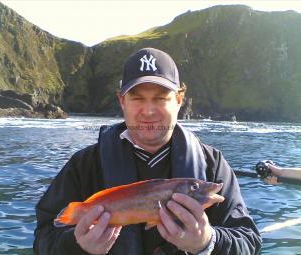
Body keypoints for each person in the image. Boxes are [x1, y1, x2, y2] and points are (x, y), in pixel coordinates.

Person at [33, 48, 262, 255]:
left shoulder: (212, 163)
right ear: (122, 101)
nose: (149, 111)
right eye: (137, 98)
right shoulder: (83, 165)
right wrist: (77, 245)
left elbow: (248, 241)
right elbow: (44, 239)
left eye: (161, 98)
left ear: (179, 100)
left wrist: (208, 242)